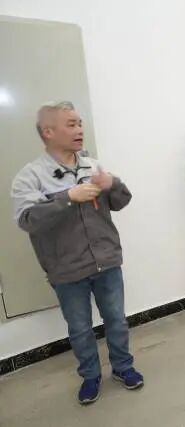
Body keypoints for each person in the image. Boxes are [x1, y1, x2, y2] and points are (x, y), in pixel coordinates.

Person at [11, 101, 144, 404]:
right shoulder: (30, 177)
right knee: (80, 329)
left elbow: (122, 201)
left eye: (80, 123)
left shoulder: (92, 165)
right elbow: (27, 220)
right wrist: (68, 197)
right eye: (71, 124)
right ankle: (90, 377)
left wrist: (113, 184)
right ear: (48, 131)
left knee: (116, 320)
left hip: (106, 262)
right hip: (67, 270)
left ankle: (123, 367)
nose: (80, 129)